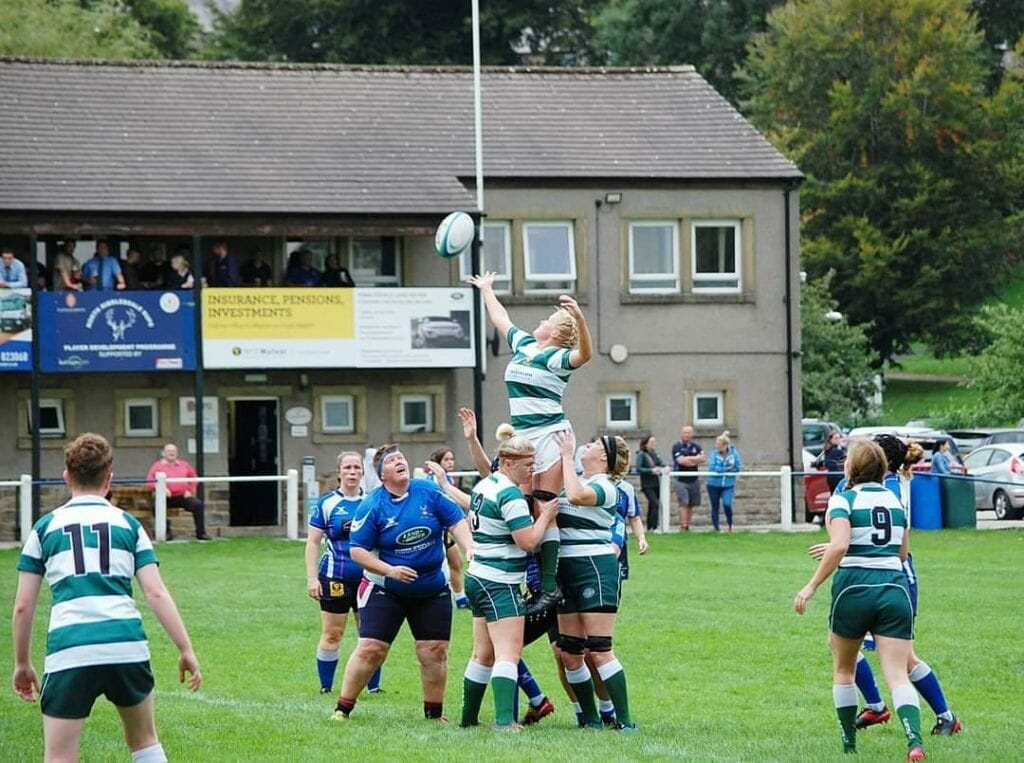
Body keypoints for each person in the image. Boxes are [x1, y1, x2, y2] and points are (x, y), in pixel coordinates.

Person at [12, 433, 202, 763]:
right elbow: (155, 592)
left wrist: (22, 663)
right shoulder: (128, 525)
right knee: (144, 741)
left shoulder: (45, 528)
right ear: (109, 479)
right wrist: (185, 649)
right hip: (125, 645)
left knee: (59, 755)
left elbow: (23, 606)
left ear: (67, 477)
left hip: (71, 647)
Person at [468, 270, 593, 613]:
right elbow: (501, 318)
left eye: (546, 319)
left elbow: (585, 355)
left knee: (544, 505)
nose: (539, 321)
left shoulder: (556, 358)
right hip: (523, 436)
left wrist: (579, 319)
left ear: (554, 331)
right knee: (520, 506)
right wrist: (487, 289)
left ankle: (549, 587)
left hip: (551, 434)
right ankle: (524, 576)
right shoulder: (524, 345)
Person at [823, 434, 962, 737]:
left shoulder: (886, 488)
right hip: (880, 573)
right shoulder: (888, 483)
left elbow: (886, 539)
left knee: (900, 657)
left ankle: (944, 715)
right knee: (846, 645)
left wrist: (840, 546)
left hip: (891, 575)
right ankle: (877, 707)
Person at [794, 440, 925, 760]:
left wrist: (810, 586)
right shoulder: (895, 501)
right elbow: (903, 553)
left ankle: (849, 745)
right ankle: (914, 741)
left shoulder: (843, 498)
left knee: (843, 669)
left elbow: (838, 546)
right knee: (897, 673)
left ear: (851, 467)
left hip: (854, 588)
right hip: (894, 589)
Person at [331, 445, 472, 722]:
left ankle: (434, 714)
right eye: (392, 460)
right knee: (372, 648)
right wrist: (391, 570)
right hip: (385, 587)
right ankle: (342, 708)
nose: (399, 462)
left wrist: (470, 549)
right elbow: (357, 551)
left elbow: (456, 521)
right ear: (382, 475)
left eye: (401, 458)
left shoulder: (428, 492)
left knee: (434, 651)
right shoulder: (372, 505)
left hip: (431, 587)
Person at [457, 432, 560, 729]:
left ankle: (468, 721)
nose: (532, 470)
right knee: (508, 652)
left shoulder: (484, 484)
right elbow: (527, 541)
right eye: (527, 464)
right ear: (507, 462)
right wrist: (546, 516)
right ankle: (504, 723)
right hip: (498, 581)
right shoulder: (510, 494)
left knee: (483, 652)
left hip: (477, 578)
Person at [553, 431, 637, 731]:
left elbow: (576, 497)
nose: (584, 447)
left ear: (604, 457)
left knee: (599, 649)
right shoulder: (576, 479)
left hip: (594, 568)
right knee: (569, 651)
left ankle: (625, 721)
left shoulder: (607, 486)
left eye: (593, 445)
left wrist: (565, 453)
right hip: (566, 568)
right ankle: (591, 720)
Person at [305, 452, 381, 695]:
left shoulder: (373, 501)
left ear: (362, 471)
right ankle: (326, 687)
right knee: (332, 634)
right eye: (347, 467)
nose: (352, 472)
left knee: (370, 635)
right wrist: (311, 578)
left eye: (356, 467)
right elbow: (313, 543)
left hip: (368, 578)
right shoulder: (326, 504)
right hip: (334, 578)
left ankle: (373, 687)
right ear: (339, 472)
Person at [426, 447, 471, 610]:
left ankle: (460, 598)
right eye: (447, 460)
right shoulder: (432, 481)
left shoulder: (447, 479)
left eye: (452, 459)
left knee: (456, 562)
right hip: (439, 531)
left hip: (448, 529)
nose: (451, 462)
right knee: (443, 564)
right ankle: (442, 597)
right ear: (438, 462)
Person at [145, 444, 210, 541]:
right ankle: (166, 533)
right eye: (169, 451)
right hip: (166, 497)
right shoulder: (157, 466)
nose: (172, 453)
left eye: (174, 451)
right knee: (156, 506)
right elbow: (149, 481)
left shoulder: (184, 465)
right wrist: (161, 489)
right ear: (163, 453)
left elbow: (194, 477)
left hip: (182, 496)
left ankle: (201, 533)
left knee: (198, 504)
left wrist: (189, 490)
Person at [671, 425, 706, 531]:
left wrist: (689, 459)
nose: (687, 435)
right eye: (685, 433)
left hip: (693, 479)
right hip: (681, 479)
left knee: (691, 503)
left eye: (689, 433)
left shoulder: (696, 446)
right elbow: (681, 461)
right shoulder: (677, 446)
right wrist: (694, 459)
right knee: (684, 502)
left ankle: (688, 525)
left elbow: (703, 458)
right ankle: (683, 525)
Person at [706, 431, 742, 532]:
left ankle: (730, 524)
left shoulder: (734, 453)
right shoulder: (714, 453)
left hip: (728, 484)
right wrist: (726, 469)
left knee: (727, 504)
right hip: (713, 484)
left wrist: (727, 469)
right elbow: (712, 467)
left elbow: (737, 467)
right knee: (715, 506)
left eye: (719, 445)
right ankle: (716, 528)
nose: (717, 447)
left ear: (725, 445)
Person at [635, 435, 668, 532]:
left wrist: (665, 467)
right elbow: (639, 468)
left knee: (653, 505)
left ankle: (651, 526)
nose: (654, 444)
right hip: (647, 484)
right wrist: (651, 471)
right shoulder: (641, 454)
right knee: (655, 503)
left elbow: (660, 462)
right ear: (646, 444)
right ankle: (653, 526)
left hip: (655, 483)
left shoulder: (654, 453)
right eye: (652, 442)